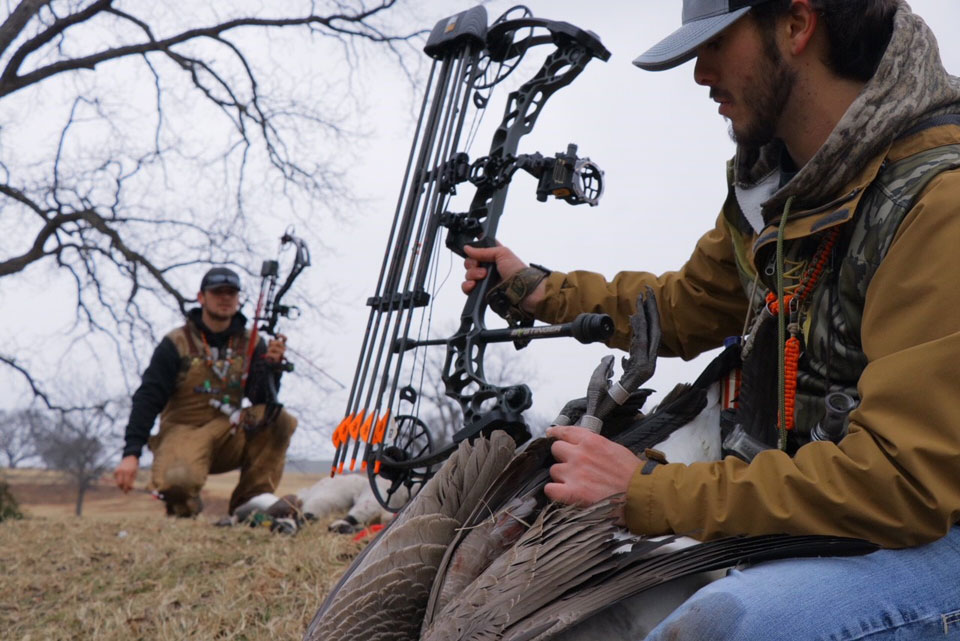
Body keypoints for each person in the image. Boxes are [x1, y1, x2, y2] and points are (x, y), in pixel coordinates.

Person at [462, 0, 960, 638]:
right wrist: (537, 292)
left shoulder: (936, 200)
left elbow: (903, 481)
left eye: (716, 44)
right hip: (830, 518)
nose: (699, 75)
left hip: (929, 535)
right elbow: (683, 306)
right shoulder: (779, 192)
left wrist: (645, 492)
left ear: (796, 24)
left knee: (721, 628)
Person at [113, 266, 298, 518]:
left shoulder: (252, 341)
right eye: (217, 292)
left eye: (231, 293)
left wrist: (272, 369)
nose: (225, 298)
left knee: (278, 418)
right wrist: (131, 453)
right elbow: (148, 397)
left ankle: (250, 504)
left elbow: (261, 400)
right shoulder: (176, 342)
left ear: (238, 298)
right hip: (183, 429)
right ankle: (184, 510)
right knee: (177, 481)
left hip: (229, 430)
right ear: (201, 298)